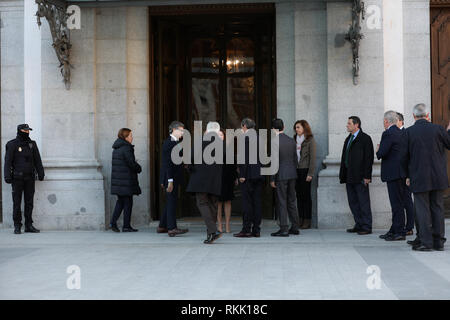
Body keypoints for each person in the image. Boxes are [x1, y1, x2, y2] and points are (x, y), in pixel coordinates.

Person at [405, 104, 450, 251]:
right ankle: (439, 242)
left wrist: (407, 175)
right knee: (437, 208)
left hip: (419, 177)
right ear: (428, 115)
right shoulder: (438, 129)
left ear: (414, 116)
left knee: (422, 209)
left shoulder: (409, 132)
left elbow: (404, 157)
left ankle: (426, 242)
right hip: (438, 176)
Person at [186, 122, 223, 244]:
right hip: (215, 180)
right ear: (217, 132)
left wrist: (191, 170)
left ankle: (213, 231)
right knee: (213, 206)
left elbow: (189, 159)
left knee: (202, 203)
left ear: (206, 131)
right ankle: (211, 234)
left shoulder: (199, 142)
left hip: (200, 179)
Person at [4, 124, 45, 234]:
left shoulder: (32, 144)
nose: (27, 132)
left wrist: (41, 173)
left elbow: (37, 160)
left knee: (29, 202)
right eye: (25, 130)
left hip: (30, 178)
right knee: (16, 203)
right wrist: (7, 175)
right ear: (19, 130)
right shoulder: (12, 144)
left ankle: (28, 225)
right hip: (17, 178)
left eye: (28, 130)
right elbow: (7, 161)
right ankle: (17, 225)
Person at [339, 116, 374, 235]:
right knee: (353, 202)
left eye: (349, 123)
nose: (347, 125)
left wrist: (367, 176)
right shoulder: (348, 138)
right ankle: (359, 224)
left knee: (363, 202)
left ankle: (367, 226)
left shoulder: (365, 139)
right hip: (349, 176)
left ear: (356, 125)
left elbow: (369, 159)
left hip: (360, 176)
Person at [376, 111, 407, 241]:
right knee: (399, 203)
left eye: (384, 121)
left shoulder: (388, 133)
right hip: (401, 173)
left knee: (396, 204)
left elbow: (381, 153)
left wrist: (378, 150)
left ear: (386, 121)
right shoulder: (402, 133)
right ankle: (395, 229)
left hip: (393, 174)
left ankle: (399, 231)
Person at [234, 118, 264, 238]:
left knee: (247, 203)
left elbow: (244, 158)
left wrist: (242, 175)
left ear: (245, 126)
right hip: (258, 174)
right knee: (257, 203)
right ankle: (256, 230)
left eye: (242, 127)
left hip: (248, 176)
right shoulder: (260, 138)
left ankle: (246, 229)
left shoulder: (245, 138)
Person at [270, 118, 300, 237]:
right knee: (292, 201)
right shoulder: (291, 140)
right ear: (283, 127)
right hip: (292, 173)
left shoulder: (274, 141)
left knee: (282, 201)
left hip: (281, 174)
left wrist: (272, 178)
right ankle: (295, 226)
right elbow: (295, 159)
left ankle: (284, 228)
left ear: (273, 129)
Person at [158, 121, 189, 237]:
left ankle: (162, 226)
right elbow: (168, 164)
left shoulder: (176, 142)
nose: (182, 133)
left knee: (170, 202)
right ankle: (172, 228)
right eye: (181, 130)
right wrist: (169, 181)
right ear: (174, 130)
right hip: (171, 178)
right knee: (171, 203)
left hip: (173, 177)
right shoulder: (169, 143)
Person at [110, 128, 142, 232]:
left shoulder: (117, 148)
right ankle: (126, 226)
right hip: (126, 181)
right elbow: (131, 164)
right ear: (126, 137)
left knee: (121, 202)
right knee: (127, 203)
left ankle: (113, 222)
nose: (132, 137)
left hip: (120, 181)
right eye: (130, 135)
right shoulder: (127, 148)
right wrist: (138, 167)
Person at [293, 120, 317, 229]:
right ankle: (300, 219)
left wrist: (310, 173)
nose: (296, 129)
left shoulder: (310, 140)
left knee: (306, 196)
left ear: (304, 128)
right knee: (298, 196)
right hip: (296, 171)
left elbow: (313, 158)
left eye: (298, 127)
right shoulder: (294, 139)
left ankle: (307, 220)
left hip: (305, 170)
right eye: (296, 127)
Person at [396, 112, 415, 236]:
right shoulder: (393, 133)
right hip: (397, 173)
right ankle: (401, 225)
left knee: (407, 200)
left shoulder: (406, 132)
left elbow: (409, 155)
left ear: (401, 121)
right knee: (400, 201)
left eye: (395, 120)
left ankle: (409, 226)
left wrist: (408, 174)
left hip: (406, 173)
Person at [217, 129, 238, 233]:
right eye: (218, 135)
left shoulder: (228, 148)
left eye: (221, 135)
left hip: (228, 178)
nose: (220, 136)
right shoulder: (211, 148)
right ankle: (219, 225)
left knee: (228, 201)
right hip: (216, 178)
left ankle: (228, 225)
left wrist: (235, 177)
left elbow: (233, 164)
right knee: (218, 203)